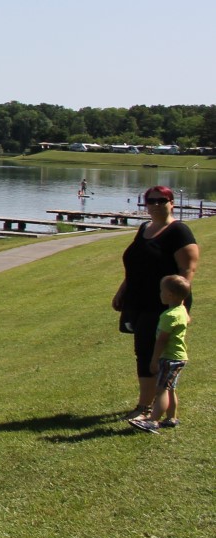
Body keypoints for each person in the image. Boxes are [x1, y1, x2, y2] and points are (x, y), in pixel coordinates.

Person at [113, 186, 200, 421]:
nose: (156, 204)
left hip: (163, 304)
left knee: (153, 354)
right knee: (142, 351)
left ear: (172, 202)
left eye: (162, 200)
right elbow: (136, 264)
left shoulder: (179, 231)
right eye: (151, 201)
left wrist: (179, 304)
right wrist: (122, 290)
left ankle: (146, 407)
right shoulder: (144, 228)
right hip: (138, 299)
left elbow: (187, 270)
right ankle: (156, 405)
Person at [130, 275, 192, 434]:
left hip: (169, 358)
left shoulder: (169, 316)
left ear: (170, 295)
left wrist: (155, 359)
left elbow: (162, 340)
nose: (160, 294)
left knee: (161, 390)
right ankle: (171, 418)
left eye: (161, 291)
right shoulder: (181, 310)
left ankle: (153, 421)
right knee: (170, 388)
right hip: (179, 357)